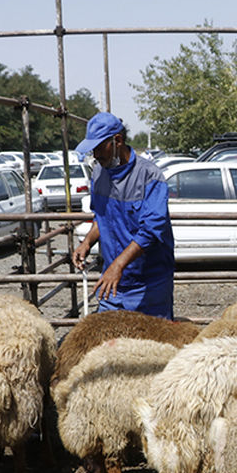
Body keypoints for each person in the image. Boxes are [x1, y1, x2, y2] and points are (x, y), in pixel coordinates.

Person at [71, 112, 175, 319]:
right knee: (109, 343)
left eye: (99, 147)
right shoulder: (99, 173)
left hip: (149, 284)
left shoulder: (149, 176)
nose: (96, 155)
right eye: (93, 149)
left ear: (117, 140)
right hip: (114, 284)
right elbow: (102, 217)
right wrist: (87, 243)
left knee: (152, 345)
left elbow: (151, 231)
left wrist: (117, 265)